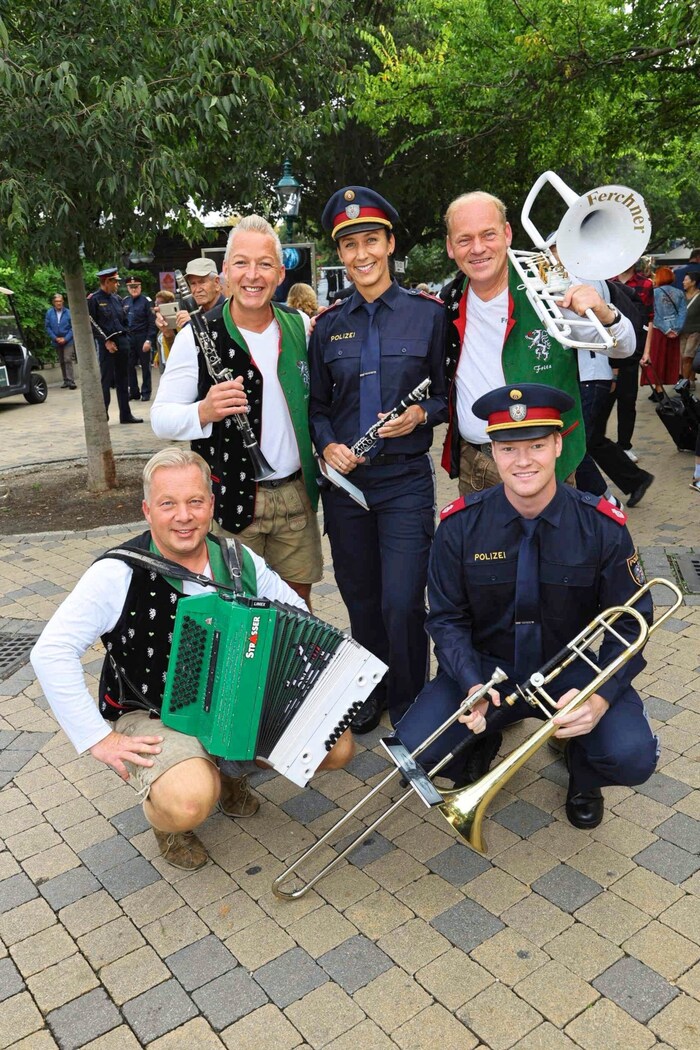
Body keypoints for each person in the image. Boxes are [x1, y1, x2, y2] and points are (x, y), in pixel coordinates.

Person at [30, 449, 354, 871]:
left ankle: (227, 768)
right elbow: (50, 651)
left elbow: (296, 613)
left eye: (195, 502)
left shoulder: (240, 560)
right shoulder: (118, 573)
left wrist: (316, 686)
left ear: (211, 505)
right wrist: (98, 738)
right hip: (152, 709)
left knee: (337, 747)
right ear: (148, 510)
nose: (183, 516)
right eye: (168, 504)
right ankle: (169, 818)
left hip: (235, 703)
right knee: (188, 802)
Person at [396, 383, 656, 831]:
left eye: (536, 445)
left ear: (558, 444)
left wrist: (599, 696)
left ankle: (583, 769)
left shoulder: (601, 527)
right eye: (508, 447)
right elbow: (446, 618)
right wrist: (469, 680)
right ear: (493, 452)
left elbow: (630, 625)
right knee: (416, 749)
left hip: (569, 672)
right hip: (487, 672)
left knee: (631, 755)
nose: (523, 461)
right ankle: (482, 741)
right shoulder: (459, 527)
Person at [308, 186, 448, 732]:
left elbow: (444, 394)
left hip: (404, 480)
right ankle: (372, 688)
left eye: (371, 240)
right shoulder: (327, 325)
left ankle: (411, 698)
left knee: (402, 600)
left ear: (389, 243)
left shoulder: (427, 315)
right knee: (361, 598)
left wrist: (421, 416)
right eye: (349, 245)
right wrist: (327, 445)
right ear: (339, 254)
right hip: (346, 486)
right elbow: (318, 405)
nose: (361, 254)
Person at [151, 216, 322, 607]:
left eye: (264, 264)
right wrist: (204, 411)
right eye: (241, 263)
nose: (252, 275)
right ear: (225, 271)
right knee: (239, 618)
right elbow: (161, 418)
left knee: (298, 611)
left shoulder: (299, 324)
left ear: (280, 273)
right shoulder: (197, 334)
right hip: (233, 498)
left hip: (296, 496)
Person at [440, 192, 636, 495]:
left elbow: (624, 347)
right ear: (450, 247)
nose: (477, 248)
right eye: (464, 239)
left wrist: (603, 311)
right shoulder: (449, 300)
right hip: (478, 466)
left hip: (549, 467)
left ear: (506, 234)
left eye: (488, 234)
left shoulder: (546, 285)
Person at [605, 261, 655, 461]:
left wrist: (647, 351)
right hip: (606, 351)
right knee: (604, 400)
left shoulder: (645, 284)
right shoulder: (608, 282)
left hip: (632, 351)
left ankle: (624, 445)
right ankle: (597, 443)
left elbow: (650, 319)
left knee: (627, 400)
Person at [88, 267, 142, 424]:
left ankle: (125, 414)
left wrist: (127, 337)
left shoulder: (117, 299)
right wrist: (105, 341)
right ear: (107, 282)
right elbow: (92, 323)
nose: (118, 285)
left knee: (123, 380)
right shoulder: (94, 299)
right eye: (115, 282)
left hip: (122, 342)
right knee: (106, 380)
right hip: (107, 344)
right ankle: (102, 415)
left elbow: (124, 321)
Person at [641, 267, 687, 399]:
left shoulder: (654, 293)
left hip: (658, 331)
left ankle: (658, 389)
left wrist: (666, 329)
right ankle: (660, 387)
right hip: (675, 332)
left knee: (656, 359)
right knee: (669, 360)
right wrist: (676, 329)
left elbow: (653, 314)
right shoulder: (679, 293)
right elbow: (683, 312)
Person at [123, 277, 157, 402]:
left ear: (140, 287)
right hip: (129, 337)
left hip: (142, 336)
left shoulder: (146, 301)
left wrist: (149, 340)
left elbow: (152, 322)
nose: (134, 289)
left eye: (136, 287)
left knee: (145, 366)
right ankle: (134, 391)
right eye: (131, 287)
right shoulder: (125, 301)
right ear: (127, 288)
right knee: (129, 366)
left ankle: (146, 392)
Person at [44, 293, 76, 389]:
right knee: (61, 360)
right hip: (56, 340)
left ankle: (71, 381)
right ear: (54, 302)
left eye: (60, 301)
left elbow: (73, 327)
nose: (58, 303)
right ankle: (65, 380)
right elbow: (47, 327)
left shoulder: (68, 312)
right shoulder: (49, 313)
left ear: (63, 302)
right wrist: (55, 338)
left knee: (67, 359)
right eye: (57, 301)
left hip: (68, 340)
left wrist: (65, 338)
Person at [679, 270, 700, 384]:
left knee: (688, 357)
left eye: (686, 280)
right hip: (682, 331)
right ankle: (689, 379)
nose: (683, 282)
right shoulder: (681, 296)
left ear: (693, 282)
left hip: (695, 331)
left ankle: (684, 383)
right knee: (684, 358)